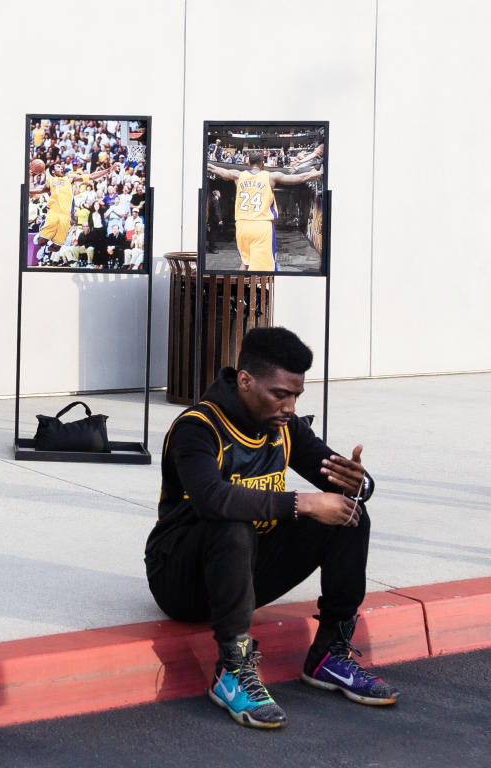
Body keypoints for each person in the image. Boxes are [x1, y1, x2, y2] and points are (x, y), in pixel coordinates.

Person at [145, 326, 399, 730]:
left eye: (296, 395)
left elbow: (332, 473)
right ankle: (232, 671)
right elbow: (212, 497)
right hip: (181, 580)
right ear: (245, 380)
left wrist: (359, 484)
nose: (290, 406)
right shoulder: (198, 427)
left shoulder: (284, 426)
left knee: (348, 515)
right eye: (281, 394)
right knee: (232, 521)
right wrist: (302, 502)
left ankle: (329, 655)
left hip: (243, 573)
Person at [207, 152, 322, 271]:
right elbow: (301, 178)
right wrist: (320, 173)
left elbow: (217, 169)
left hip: (242, 226)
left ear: (248, 163)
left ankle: (240, 289)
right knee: (267, 268)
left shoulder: (238, 175)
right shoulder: (271, 176)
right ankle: (261, 289)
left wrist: (206, 164)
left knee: (246, 263)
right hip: (261, 225)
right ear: (262, 163)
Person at [30, 160, 111, 261]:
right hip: (54, 213)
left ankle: (46, 248)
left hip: (65, 216)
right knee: (41, 241)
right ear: (53, 171)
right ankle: (42, 240)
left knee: (57, 247)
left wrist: (107, 170)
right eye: (58, 167)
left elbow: (91, 176)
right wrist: (31, 178)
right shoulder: (50, 180)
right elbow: (35, 190)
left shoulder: (70, 178)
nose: (62, 168)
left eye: (61, 166)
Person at [207, 189, 223, 253]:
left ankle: (211, 247)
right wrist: (219, 220)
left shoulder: (213, 200)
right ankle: (212, 248)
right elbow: (216, 212)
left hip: (212, 220)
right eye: (219, 193)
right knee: (213, 234)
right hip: (214, 221)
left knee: (212, 234)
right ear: (217, 194)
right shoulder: (215, 201)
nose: (220, 194)